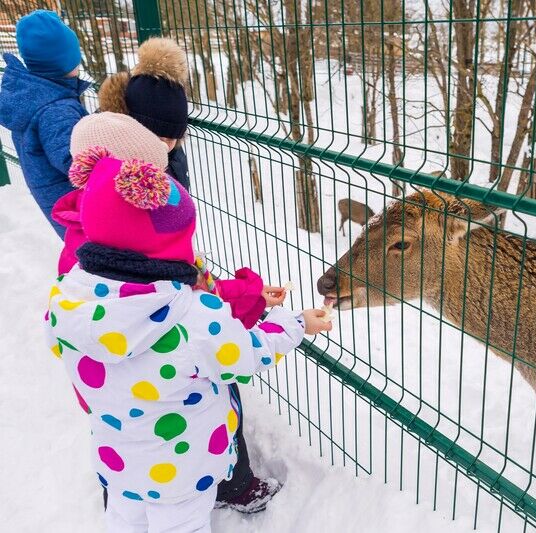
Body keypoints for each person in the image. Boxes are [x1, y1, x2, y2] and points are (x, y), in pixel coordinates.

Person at [46, 111, 332, 531]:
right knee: (180, 522)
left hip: (117, 456)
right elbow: (247, 355)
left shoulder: (66, 297)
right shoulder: (192, 316)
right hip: (182, 466)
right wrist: (296, 324)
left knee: (124, 516)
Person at [0, 10, 89, 238]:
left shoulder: (38, 97)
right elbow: (77, 164)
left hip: (60, 203)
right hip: (79, 210)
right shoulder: (56, 110)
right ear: (64, 62)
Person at [97, 37, 190, 189]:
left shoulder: (175, 156)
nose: (164, 145)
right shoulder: (119, 167)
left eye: (171, 138)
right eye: (157, 137)